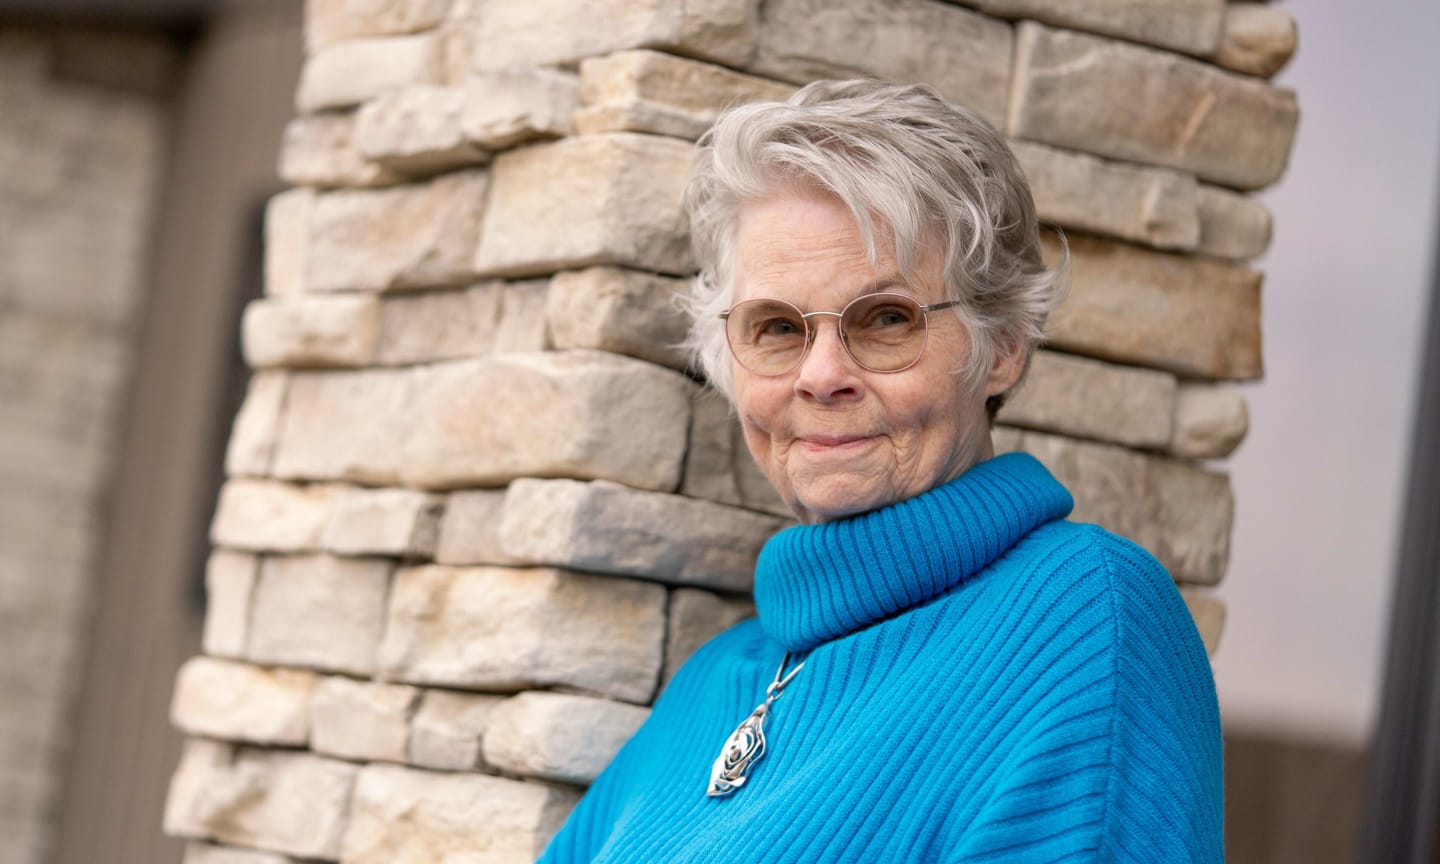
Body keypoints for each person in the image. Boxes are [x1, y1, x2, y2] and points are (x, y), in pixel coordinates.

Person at [537, 79, 1221, 863]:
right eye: (776, 328)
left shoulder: (1084, 615)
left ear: (1002, 346)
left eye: (886, 318)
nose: (822, 374)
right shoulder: (714, 681)